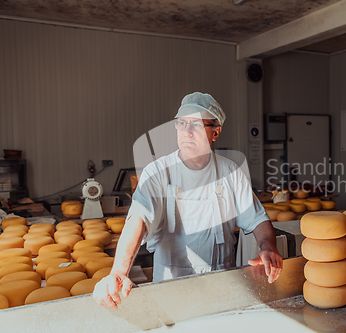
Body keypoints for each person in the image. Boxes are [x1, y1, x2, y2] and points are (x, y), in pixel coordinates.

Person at [93, 92, 283, 308]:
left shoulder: (231, 172)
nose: (187, 132)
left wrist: (268, 247)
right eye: (182, 123)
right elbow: (138, 218)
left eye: (197, 125)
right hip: (172, 289)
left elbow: (257, 219)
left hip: (221, 286)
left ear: (216, 132)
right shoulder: (158, 172)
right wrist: (119, 271)